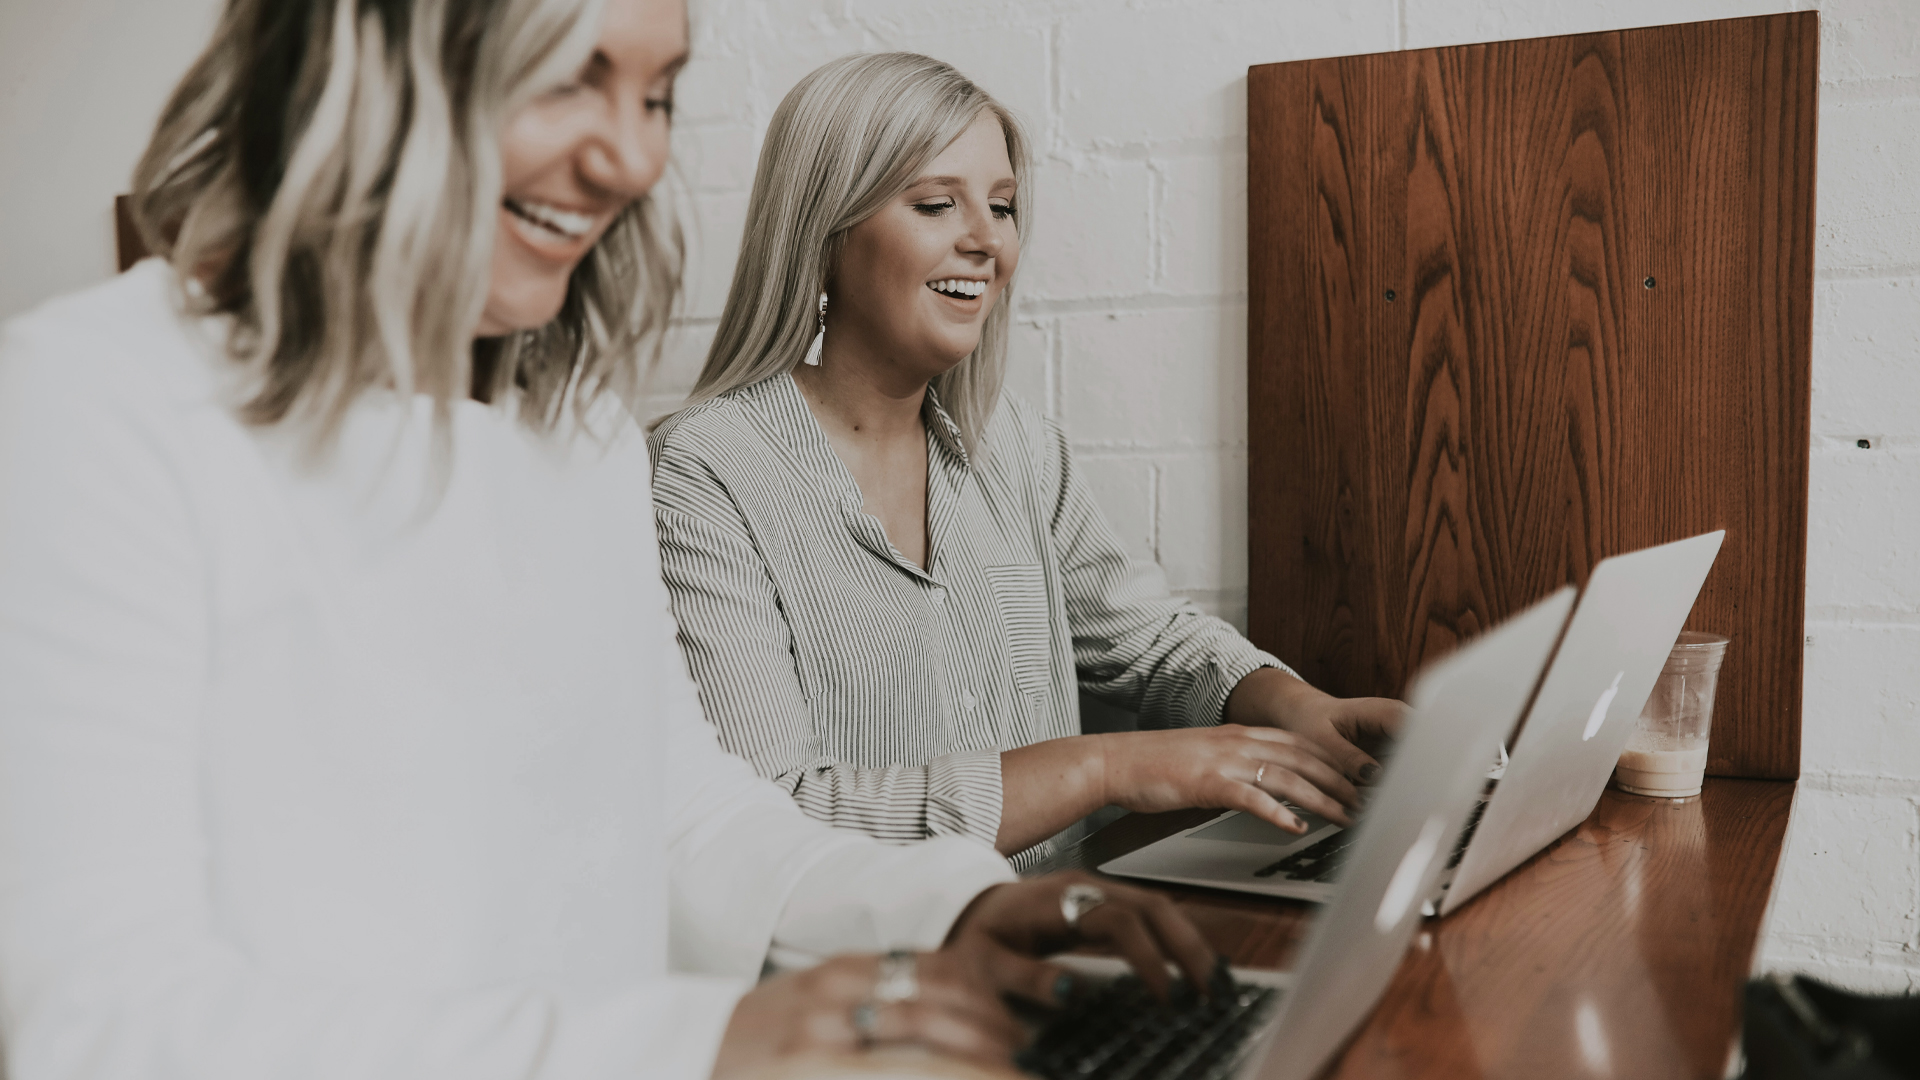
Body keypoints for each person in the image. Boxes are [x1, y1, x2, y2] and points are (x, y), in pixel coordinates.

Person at [0, 3, 1219, 1077]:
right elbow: (93, 1028)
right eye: (567, 76)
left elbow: (684, 813)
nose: (631, 154)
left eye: (656, 92)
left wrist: (953, 909)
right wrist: (701, 1049)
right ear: (373, 55)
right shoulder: (91, 402)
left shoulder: (569, 425)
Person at [649, 53, 1409, 866]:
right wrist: (1105, 768)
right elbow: (777, 817)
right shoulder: (703, 471)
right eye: (938, 204)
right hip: (878, 973)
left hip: (1066, 936)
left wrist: (1293, 705)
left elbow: (1147, 643)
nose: (987, 241)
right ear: (825, 233)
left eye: (1003, 207)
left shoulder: (1012, 446)